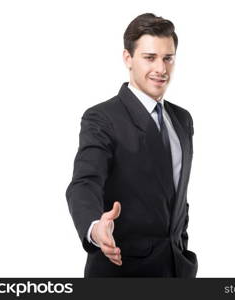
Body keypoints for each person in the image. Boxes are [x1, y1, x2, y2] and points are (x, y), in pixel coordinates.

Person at [66, 13, 197, 277]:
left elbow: (175, 198)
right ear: (128, 58)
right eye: (150, 58)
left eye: (167, 58)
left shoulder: (182, 119)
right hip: (123, 271)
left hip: (176, 270)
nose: (161, 68)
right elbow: (84, 182)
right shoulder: (102, 118)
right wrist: (95, 228)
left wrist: (181, 248)